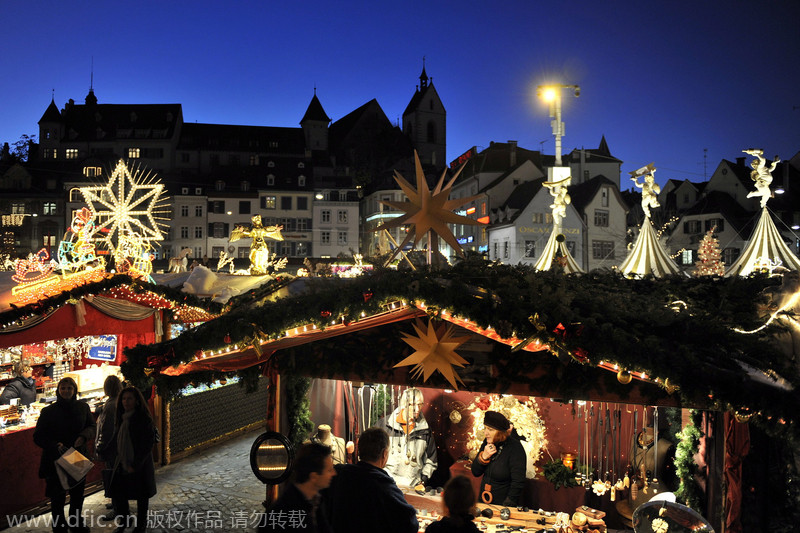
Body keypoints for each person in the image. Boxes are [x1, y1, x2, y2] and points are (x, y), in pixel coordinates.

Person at [33, 377, 96, 533]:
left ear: (74, 390)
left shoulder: (83, 407)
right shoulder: (48, 412)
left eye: (69, 388)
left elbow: (91, 426)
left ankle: (76, 523)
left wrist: (83, 436)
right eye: (63, 388)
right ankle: (59, 527)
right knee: (57, 498)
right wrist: (54, 445)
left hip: (77, 455)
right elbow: (38, 436)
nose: (66, 391)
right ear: (58, 390)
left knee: (77, 495)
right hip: (56, 458)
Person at [326, 427, 418, 533]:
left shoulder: (338, 475)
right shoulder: (385, 487)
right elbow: (410, 525)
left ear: (359, 450)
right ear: (384, 454)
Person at [109, 386, 158, 533]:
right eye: (124, 399)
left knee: (141, 496)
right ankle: (124, 521)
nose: (126, 401)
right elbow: (116, 439)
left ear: (136, 400)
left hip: (139, 464)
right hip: (122, 461)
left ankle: (141, 525)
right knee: (120, 494)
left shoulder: (143, 419)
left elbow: (146, 444)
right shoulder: (121, 417)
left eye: (129, 398)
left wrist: (135, 464)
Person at [260, 442, 336, 532]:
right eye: (329, 470)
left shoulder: (316, 501)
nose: (334, 473)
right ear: (314, 477)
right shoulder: (280, 516)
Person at [378, 387, 438, 488]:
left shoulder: (425, 430)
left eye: (420, 404)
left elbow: (431, 461)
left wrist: (423, 481)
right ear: (404, 404)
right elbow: (373, 456)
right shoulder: (384, 426)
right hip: (386, 485)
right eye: (413, 404)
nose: (417, 409)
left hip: (413, 486)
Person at [470, 410, 527, 507]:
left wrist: (507, 506)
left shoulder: (515, 448)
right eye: (485, 428)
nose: (486, 433)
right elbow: (475, 472)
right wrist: (483, 457)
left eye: (490, 429)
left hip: (502, 504)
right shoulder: (487, 442)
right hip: (483, 501)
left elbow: (518, 482)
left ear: (501, 432)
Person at [95, 375, 123, 518]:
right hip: (117, 446)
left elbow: (107, 429)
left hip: (112, 448)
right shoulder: (117, 401)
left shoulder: (111, 405)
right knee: (115, 476)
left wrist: (100, 446)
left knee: (114, 477)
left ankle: (118, 508)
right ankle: (115, 503)